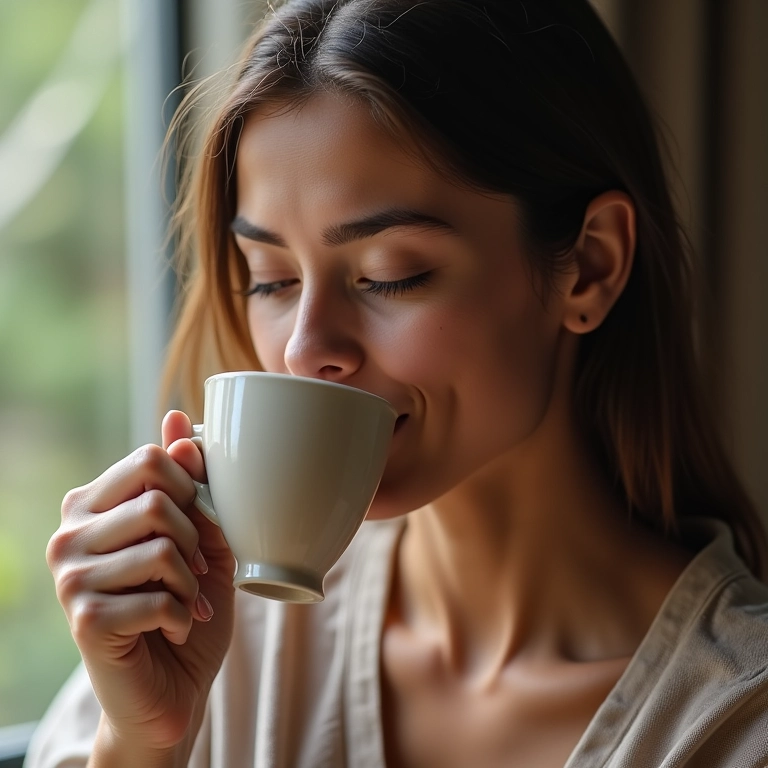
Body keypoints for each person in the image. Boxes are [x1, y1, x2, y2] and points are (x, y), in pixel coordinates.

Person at [27, 0, 768, 766]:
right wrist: (141, 744)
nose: (305, 350)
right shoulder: (213, 631)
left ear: (590, 265)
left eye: (391, 276)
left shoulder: (733, 722)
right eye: (272, 279)